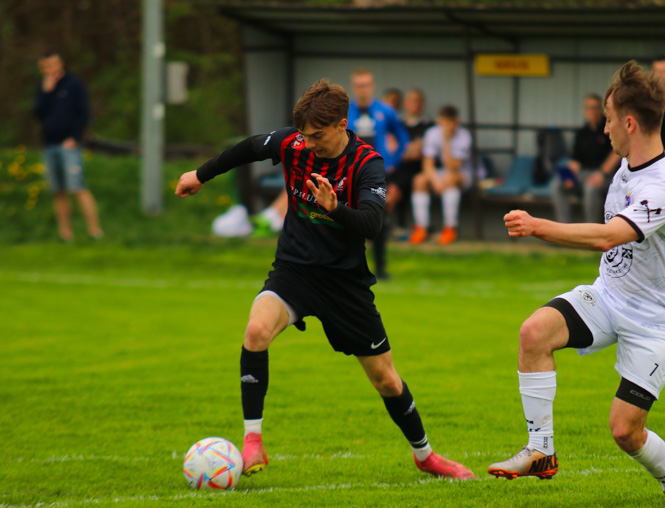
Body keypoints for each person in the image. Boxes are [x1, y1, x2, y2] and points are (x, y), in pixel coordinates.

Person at [174, 79, 474, 481]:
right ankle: (253, 440)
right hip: (294, 270)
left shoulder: (367, 163)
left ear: (341, 125)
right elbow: (248, 147)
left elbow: (371, 223)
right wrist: (201, 173)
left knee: (385, 378)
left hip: (344, 284)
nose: (308, 142)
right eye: (303, 135)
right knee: (256, 330)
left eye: (316, 135)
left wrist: (334, 207)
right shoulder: (294, 145)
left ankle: (426, 457)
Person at [489, 61, 665, 508]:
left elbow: (611, 235)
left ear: (629, 122)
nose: (604, 128)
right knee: (534, 332)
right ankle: (541, 450)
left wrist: (538, 226)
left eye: (608, 119)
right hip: (609, 296)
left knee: (625, 431)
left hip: (655, 323)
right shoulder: (632, 167)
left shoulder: (664, 183)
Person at [348, 68, 409, 279]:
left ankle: (380, 269)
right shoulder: (346, 112)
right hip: (350, 174)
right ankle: (352, 268)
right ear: (354, 87)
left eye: (366, 85)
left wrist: (392, 162)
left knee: (378, 220)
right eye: (358, 85)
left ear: (372, 86)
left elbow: (402, 138)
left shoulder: (386, 111)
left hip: (377, 174)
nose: (362, 89)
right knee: (349, 222)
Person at [34, 52, 102, 242]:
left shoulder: (73, 84)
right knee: (58, 191)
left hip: (69, 144)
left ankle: (95, 232)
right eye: (46, 66)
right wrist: (47, 91)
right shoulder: (43, 89)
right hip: (49, 144)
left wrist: (74, 138)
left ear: (60, 64)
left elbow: (84, 113)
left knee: (77, 187)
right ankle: (66, 234)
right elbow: (39, 114)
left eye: (53, 64)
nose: (50, 69)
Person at [409, 105, 474, 245]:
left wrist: (447, 141)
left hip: (463, 175)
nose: (449, 126)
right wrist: (436, 181)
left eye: (452, 122)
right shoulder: (432, 133)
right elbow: (427, 164)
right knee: (419, 180)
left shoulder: (464, 136)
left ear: (457, 122)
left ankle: (450, 228)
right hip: (441, 174)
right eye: (446, 122)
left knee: (450, 178)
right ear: (439, 121)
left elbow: (453, 167)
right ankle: (421, 228)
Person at [553, 94, 621, 224]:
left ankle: (592, 230)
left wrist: (602, 173)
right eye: (589, 108)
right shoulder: (582, 132)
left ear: (602, 110)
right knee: (557, 185)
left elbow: (616, 153)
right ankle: (564, 229)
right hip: (583, 173)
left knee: (591, 187)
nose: (592, 111)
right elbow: (575, 160)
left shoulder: (608, 129)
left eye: (595, 108)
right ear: (585, 111)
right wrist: (570, 175)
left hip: (605, 175)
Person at [388, 89, 434, 230]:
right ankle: (384, 227)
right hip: (397, 169)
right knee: (388, 189)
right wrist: (408, 149)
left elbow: (417, 154)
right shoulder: (397, 124)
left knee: (399, 187)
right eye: (413, 100)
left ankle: (419, 228)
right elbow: (391, 150)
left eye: (420, 101)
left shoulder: (429, 126)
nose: (417, 104)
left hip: (419, 169)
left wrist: (404, 149)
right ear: (406, 103)